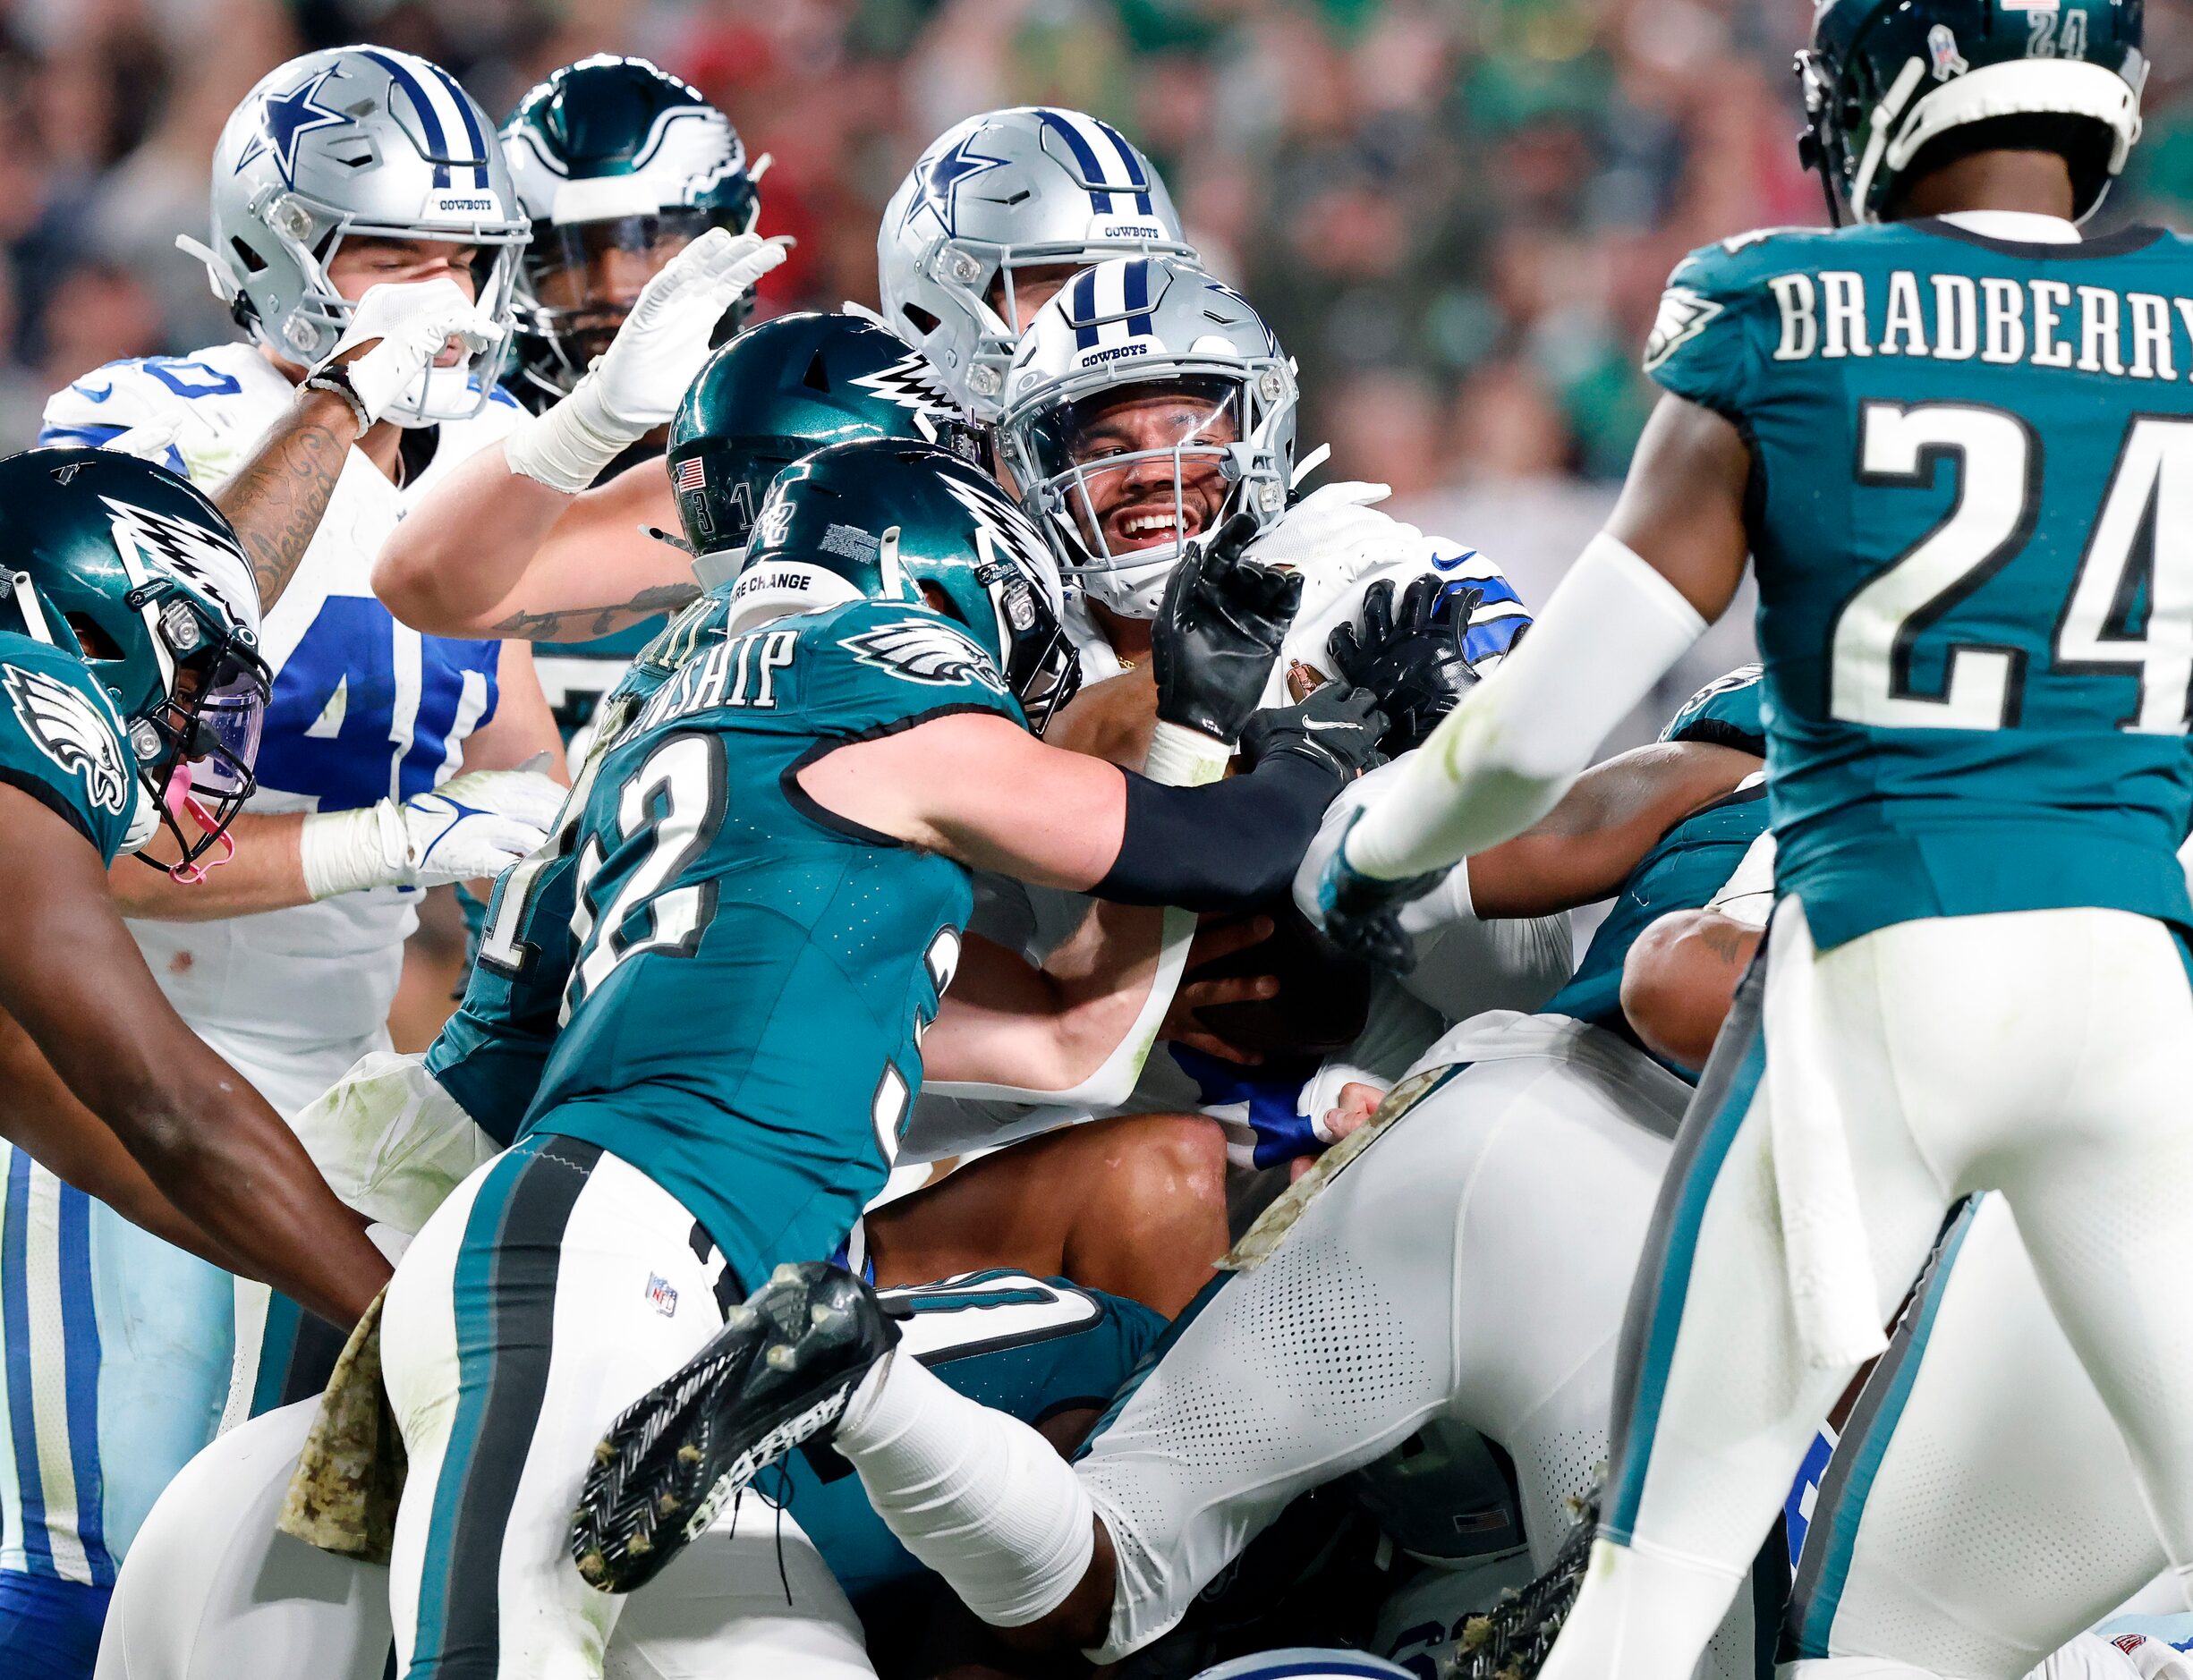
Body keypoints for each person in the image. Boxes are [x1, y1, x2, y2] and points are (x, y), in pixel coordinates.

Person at [1316, 4, 2193, 1679]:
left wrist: (1369, 838)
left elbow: (1530, 737)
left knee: (1646, 1601)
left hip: (1872, 992)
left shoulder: (1781, 311)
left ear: (1881, 90)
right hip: (2133, 1003)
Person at [381, 436, 1383, 1678]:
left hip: (697, 1308)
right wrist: (1317, 752)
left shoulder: (685, 732)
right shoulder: (861, 671)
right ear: (942, 578)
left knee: (1112, 1352)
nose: (1008, 687)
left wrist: (1190, 727)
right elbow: (1205, 851)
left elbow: (1076, 1044)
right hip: (616, 1260)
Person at [569, 667, 1774, 1678]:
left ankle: (861, 1378)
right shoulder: (1948, 816)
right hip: (1691, 1229)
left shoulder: (1749, 738)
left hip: (1494, 1108)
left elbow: (1376, 869)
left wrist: (1366, 775)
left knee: (1113, 1565)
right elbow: (1675, 983)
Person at [16, 44, 574, 1672]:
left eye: (464, 258)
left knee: (293, 1542)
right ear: (281, 246)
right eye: (398, 254)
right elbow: (94, 829)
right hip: (118, 1048)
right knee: (100, 1539)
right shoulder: (140, 421)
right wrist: (388, 836)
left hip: (348, 1072)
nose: (444, 296)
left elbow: (520, 753)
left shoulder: (481, 463)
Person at [0, 448, 393, 1680]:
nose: (192, 724)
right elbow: (168, 1106)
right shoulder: (26, 713)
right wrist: (426, 1326)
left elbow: (114, 1148)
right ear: (79, 621)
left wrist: (379, 1285)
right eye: (189, 671)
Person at [499, 54, 772, 741]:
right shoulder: (458, 446)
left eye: (652, 244)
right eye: (570, 255)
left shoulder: (804, 434)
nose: (618, 287)